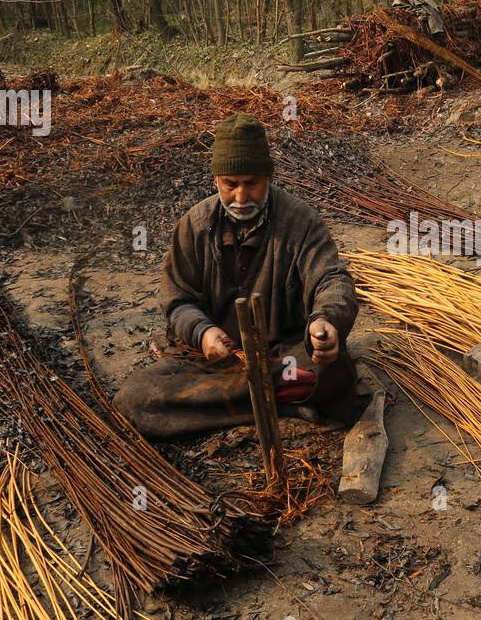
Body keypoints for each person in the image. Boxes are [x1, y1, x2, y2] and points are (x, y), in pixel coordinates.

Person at [113, 114, 360, 441]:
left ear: (268, 177)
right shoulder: (195, 225)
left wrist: (326, 322)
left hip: (283, 356)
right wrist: (203, 333)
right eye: (231, 184)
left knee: (331, 369)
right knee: (135, 399)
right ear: (216, 179)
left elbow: (332, 280)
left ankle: (220, 408)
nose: (242, 197)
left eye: (252, 183)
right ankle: (276, 404)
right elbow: (178, 301)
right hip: (215, 363)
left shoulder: (300, 221)